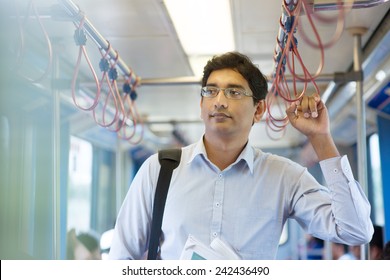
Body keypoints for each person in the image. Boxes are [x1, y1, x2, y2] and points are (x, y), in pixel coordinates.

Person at [108, 52, 373, 260]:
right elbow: (122, 257)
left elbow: (355, 230)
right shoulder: (160, 169)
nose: (219, 101)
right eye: (210, 91)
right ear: (201, 105)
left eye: (234, 92)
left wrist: (321, 139)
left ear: (259, 110)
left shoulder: (283, 177)